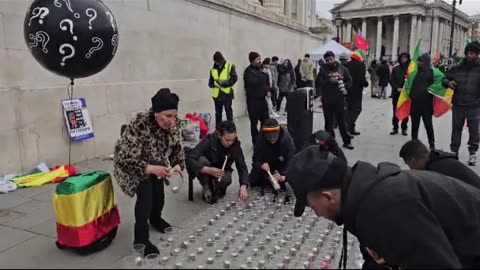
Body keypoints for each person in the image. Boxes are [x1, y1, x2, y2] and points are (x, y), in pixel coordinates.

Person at [287, 145, 480, 269]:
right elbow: (379, 260)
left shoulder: (387, 208)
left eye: (313, 208)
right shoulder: (363, 196)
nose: (318, 215)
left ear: (328, 197)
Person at [113, 88, 185, 256]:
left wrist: (178, 164)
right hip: (132, 165)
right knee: (145, 198)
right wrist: (150, 169)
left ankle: (156, 218)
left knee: (158, 196)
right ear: (156, 113)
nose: (172, 121)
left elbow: (177, 147)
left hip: (157, 162)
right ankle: (141, 239)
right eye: (168, 116)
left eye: (174, 116)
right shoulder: (139, 124)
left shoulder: (174, 123)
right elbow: (124, 159)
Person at [187, 120, 249, 204]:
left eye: (232, 139)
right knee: (202, 160)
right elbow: (190, 158)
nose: (230, 143)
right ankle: (205, 186)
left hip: (221, 169)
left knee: (226, 179)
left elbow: (242, 166)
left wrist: (243, 185)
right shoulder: (209, 140)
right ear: (219, 135)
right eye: (227, 140)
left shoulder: (235, 145)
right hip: (207, 167)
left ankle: (216, 186)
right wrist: (206, 169)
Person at [442, 41, 480, 166]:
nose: (470, 56)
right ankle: (454, 151)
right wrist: (449, 83)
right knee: (456, 129)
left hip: (474, 106)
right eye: (468, 53)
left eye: (473, 53)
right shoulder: (457, 68)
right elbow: (444, 78)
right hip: (458, 104)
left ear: (477, 55)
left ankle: (473, 153)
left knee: (474, 131)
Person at [400, 139, 480, 189]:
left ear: (413, 160)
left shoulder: (436, 171)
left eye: (409, 165)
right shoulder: (437, 158)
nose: (411, 169)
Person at [315, 51, 354, 150]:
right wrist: (329, 81)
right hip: (327, 100)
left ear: (334, 58)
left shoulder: (342, 69)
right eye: (327, 60)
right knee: (328, 123)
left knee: (342, 122)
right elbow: (318, 83)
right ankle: (330, 142)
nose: (329, 61)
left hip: (340, 99)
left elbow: (349, 80)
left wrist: (344, 86)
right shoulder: (323, 70)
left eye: (330, 59)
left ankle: (346, 141)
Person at [249, 119, 296, 192]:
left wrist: (284, 175)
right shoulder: (260, 139)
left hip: (282, 166)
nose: (272, 140)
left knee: (292, 182)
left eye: (274, 137)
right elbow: (256, 159)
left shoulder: (286, 139)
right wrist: (261, 165)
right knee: (253, 180)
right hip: (266, 168)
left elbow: (291, 159)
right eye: (269, 138)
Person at [410, 54, 435, 150]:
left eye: (421, 61)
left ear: (425, 62)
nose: (419, 63)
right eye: (418, 61)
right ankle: (414, 142)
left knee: (428, 125)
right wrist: (411, 95)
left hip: (426, 105)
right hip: (415, 104)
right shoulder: (416, 73)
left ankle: (431, 143)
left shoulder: (431, 73)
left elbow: (437, 85)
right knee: (414, 125)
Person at [244, 51, 270, 144]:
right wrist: (262, 74)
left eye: (260, 58)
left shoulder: (261, 70)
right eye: (258, 59)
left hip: (262, 100)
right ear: (252, 60)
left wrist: (268, 90)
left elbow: (266, 82)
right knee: (254, 123)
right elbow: (252, 83)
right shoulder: (248, 71)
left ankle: (264, 139)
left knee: (266, 120)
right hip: (253, 101)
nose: (260, 61)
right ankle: (255, 142)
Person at [209, 51, 238, 131]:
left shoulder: (230, 66)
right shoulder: (213, 69)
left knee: (228, 111)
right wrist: (212, 84)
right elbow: (211, 81)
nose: (218, 63)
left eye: (219, 62)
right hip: (217, 94)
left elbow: (234, 78)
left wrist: (225, 84)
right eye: (216, 62)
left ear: (222, 59)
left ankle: (231, 128)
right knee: (218, 113)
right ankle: (218, 128)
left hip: (227, 93)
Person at [343, 51, 368, 136]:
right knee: (357, 109)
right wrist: (366, 83)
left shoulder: (346, 65)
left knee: (349, 109)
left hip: (346, 90)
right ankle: (348, 125)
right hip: (356, 91)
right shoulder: (361, 65)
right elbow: (362, 79)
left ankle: (351, 128)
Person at [390, 52, 410, 136]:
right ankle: (395, 127)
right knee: (396, 110)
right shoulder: (396, 69)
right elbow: (391, 80)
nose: (403, 59)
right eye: (402, 57)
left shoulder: (410, 69)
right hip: (397, 93)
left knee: (405, 111)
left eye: (405, 57)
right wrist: (397, 88)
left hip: (406, 94)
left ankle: (404, 128)